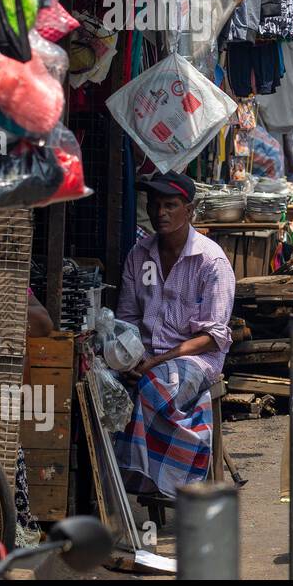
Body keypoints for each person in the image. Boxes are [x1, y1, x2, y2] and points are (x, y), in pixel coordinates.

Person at [113, 171, 236, 497]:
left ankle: (156, 481)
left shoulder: (211, 261)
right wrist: (134, 357)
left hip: (196, 359)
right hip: (146, 356)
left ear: (190, 210)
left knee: (156, 385)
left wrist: (158, 361)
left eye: (170, 205)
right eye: (155, 205)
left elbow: (214, 336)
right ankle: (115, 483)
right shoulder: (140, 254)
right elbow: (127, 319)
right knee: (100, 387)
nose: (160, 213)